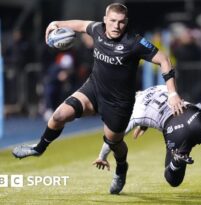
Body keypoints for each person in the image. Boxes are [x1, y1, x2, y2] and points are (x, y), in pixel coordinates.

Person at [12, 3, 184, 195]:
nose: (116, 26)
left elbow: (164, 60)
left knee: (114, 144)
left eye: (120, 22)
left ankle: (121, 167)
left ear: (126, 22)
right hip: (93, 90)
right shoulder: (97, 30)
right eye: (112, 21)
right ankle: (39, 148)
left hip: (119, 104)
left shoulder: (134, 42)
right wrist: (56, 23)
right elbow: (79, 24)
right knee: (60, 115)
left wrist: (173, 93)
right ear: (105, 20)